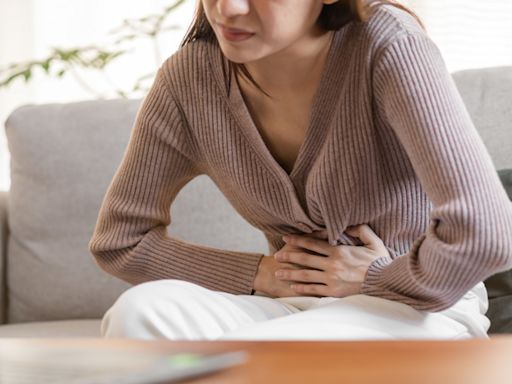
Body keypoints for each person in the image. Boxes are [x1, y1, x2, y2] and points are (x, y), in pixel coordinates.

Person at [88, 0, 512, 340]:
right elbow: (120, 241)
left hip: (417, 307)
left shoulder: (387, 46)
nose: (228, 8)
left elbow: (487, 233)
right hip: (294, 306)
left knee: (274, 351)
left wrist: (378, 277)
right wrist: (261, 274)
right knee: (141, 314)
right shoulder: (188, 81)